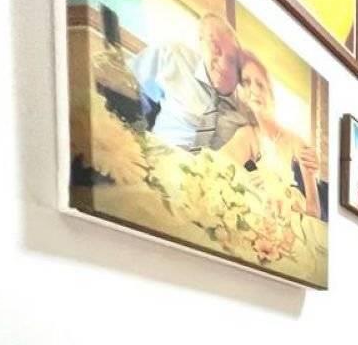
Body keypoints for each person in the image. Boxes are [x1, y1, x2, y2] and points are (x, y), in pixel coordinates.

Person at [221, 51, 323, 218]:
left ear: (270, 91)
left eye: (260, 84)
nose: (254, 90)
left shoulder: (296, 142)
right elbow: (215, 165)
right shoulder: (246, 135)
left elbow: (314, 212)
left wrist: (283, 196)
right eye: (246, 82)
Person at [130, 13, 250, 152]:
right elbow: (130, 86)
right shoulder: (172, 56)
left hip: (210, 165)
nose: (221, 60)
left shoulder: (244, 115)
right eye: (214, 45)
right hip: (157, 152)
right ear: (201, 42)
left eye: (231, 58)